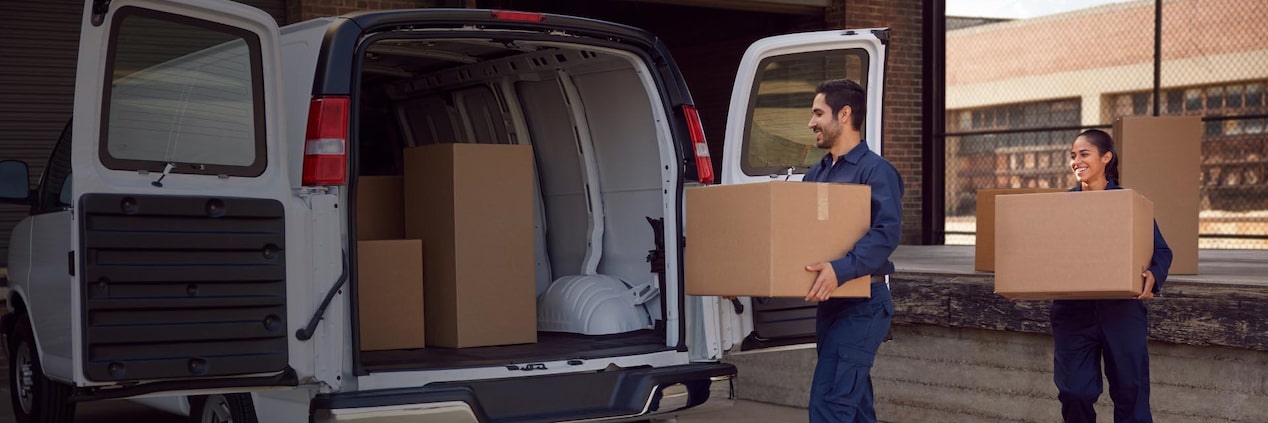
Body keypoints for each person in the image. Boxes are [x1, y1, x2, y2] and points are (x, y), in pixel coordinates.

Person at [1053, 129, 1172, 423]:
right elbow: (1042, 254)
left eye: (1083, 154)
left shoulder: (1128, 203)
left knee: (1130, 392)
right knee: (1074, 392)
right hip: (1073, 313)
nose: (1076, 161)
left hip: (1122, 311)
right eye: (1072, 156)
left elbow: (1161, 251)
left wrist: (1153, 275)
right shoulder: (1059, 208)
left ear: (1106, 158)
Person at [801, 79, 903, 423]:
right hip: (831, 305)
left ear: (844, 115)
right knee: (854, 406)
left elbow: (886, 233)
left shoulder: (876, 171)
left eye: (818, 113)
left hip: (864, 305)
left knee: (831, 404)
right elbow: (799, 235)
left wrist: (840, 269)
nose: (811, 122)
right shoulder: (816, 174)